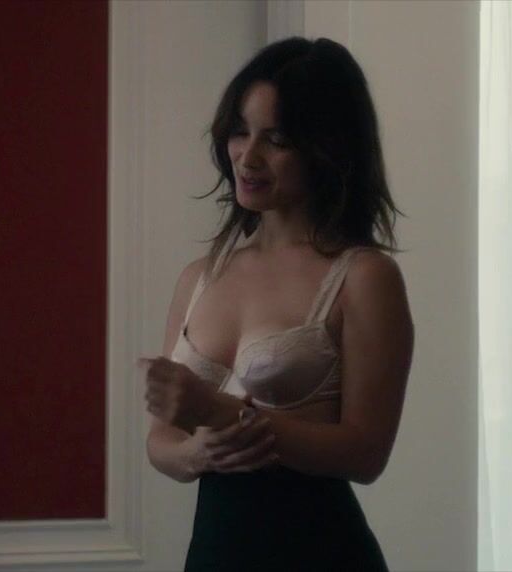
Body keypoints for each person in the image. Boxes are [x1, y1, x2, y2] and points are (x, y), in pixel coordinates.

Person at [140, 36, 415, 571]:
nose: (248, 156)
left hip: (319, 554)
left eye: (277, 139)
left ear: (327, 148)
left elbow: (367, 454)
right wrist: (197, 453)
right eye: (239, 131)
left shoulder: (363, 277)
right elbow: (161, 443)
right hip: (215, 554)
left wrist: (223, 413)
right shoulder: (200, 277)